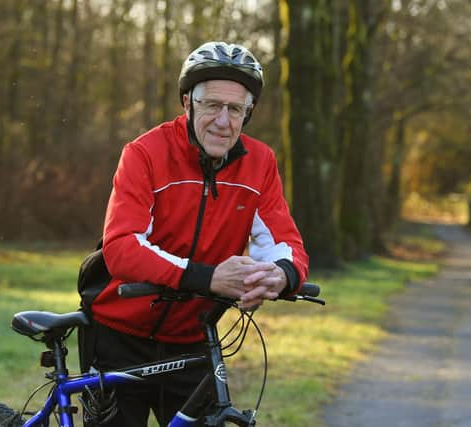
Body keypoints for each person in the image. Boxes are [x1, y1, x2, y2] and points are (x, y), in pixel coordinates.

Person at [89, 41, 309, 426]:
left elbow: (283, 244)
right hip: (118, 333)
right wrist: (209, 278)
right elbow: (121, 248)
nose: (223, 121)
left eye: (235, 109)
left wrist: (280, 275)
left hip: (193, 336)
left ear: (248, 114)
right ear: (188, 104)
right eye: (212, 105)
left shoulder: (260, 164)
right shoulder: (144, 153)